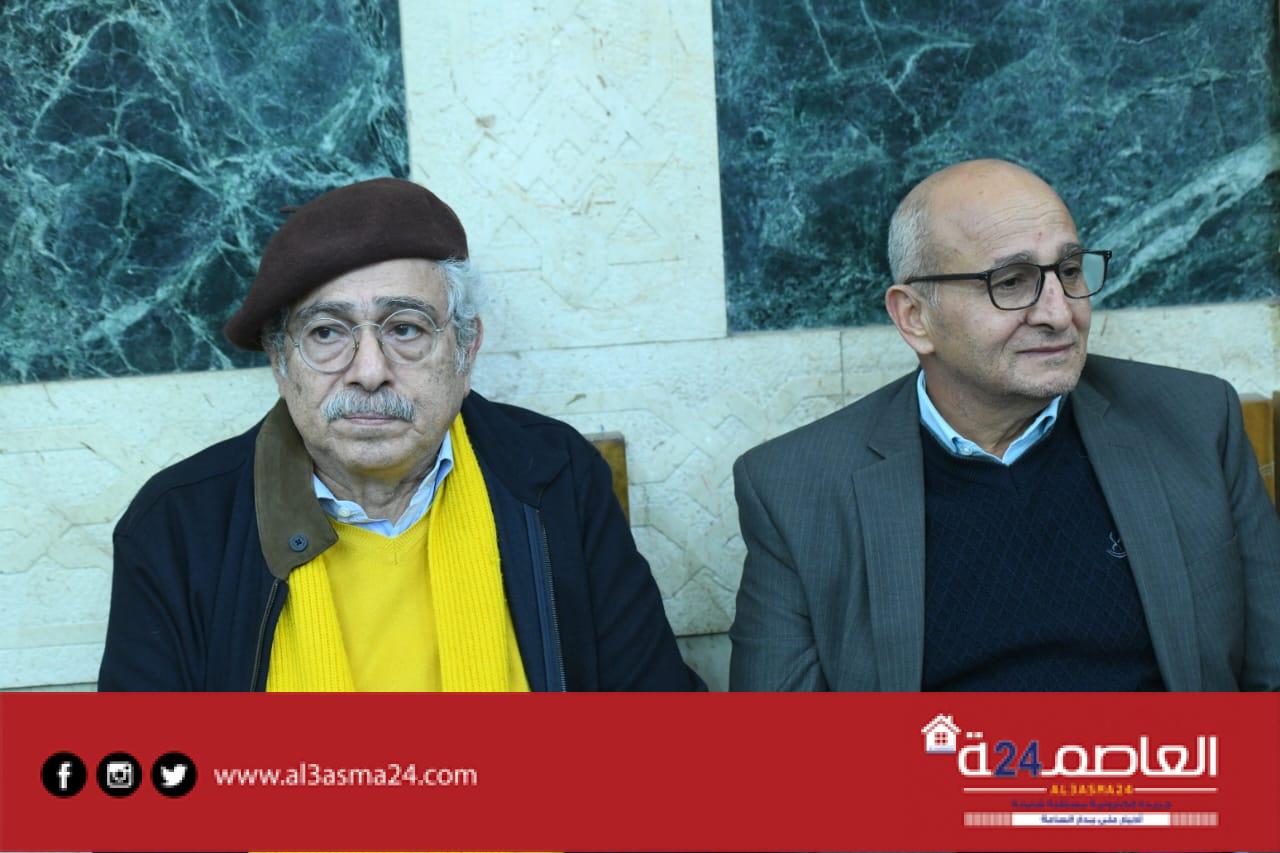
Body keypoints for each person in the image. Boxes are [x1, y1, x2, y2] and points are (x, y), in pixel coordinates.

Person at [99, 177, 702, 693]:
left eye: (406, 329)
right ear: (281, 360)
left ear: (465, 348)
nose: (369, 370)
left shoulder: (555, 476)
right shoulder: (178, 525)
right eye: (327, 332)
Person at [730, 158, 1280, 692]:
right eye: (1011, 282)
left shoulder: (1194, 421)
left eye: (1070, 271)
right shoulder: (796, 489)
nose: (1059, 314)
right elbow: (777, 744)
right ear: (915, 318)